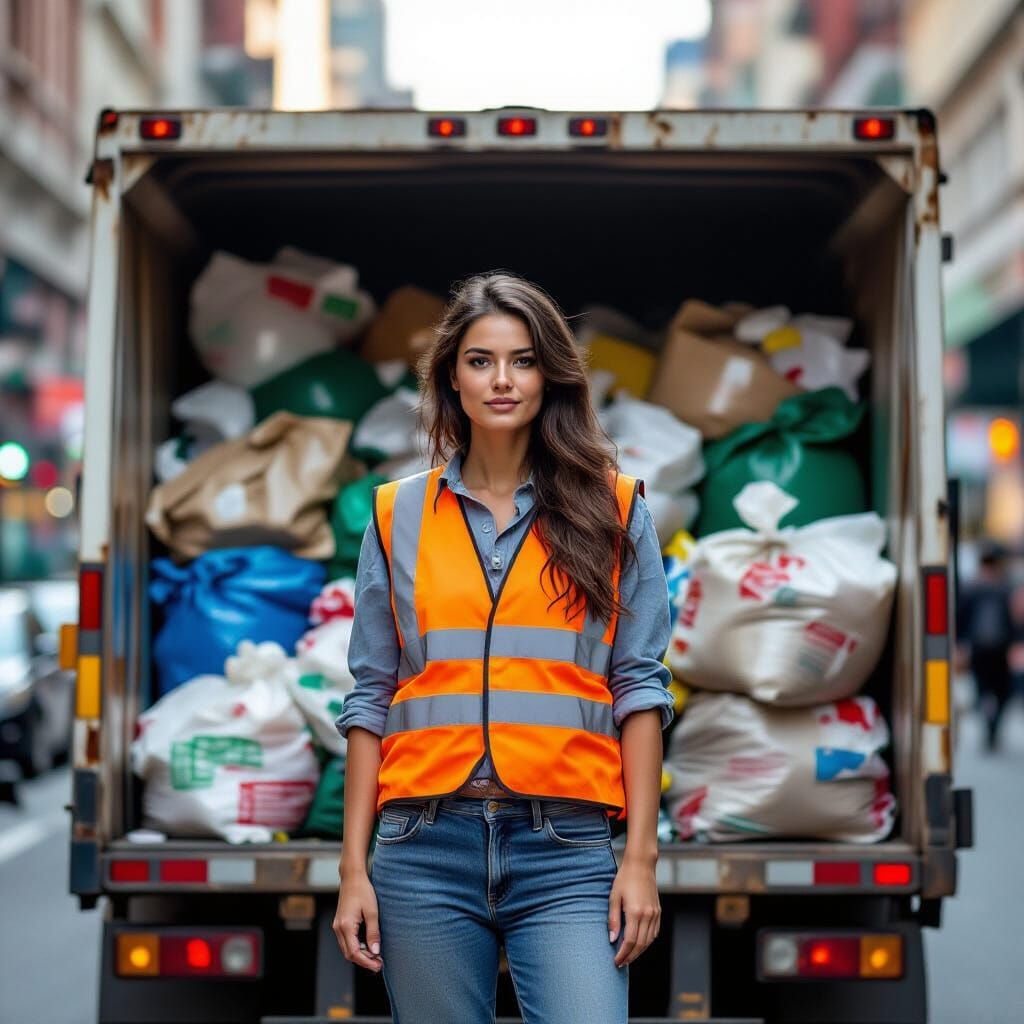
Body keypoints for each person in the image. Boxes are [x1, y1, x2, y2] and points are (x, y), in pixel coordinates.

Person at [333, 272, 674, 1023]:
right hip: (424, 845)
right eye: (481, 360)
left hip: (565, 848)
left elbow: (640, 688)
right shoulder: (397, 514)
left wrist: (640, 860)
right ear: (451, 376)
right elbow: (370, 696)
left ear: (550, 375)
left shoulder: (615, 509)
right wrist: (354, 869)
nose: (502, 380)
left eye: (523, 360)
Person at [956, 539, 1016, 752]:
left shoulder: (987, 588)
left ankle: (991, 727)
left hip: (992, 649)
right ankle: (990, 727)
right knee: (991, 691)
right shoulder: (1001, 589)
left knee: (996, 692)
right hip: (989, 649)